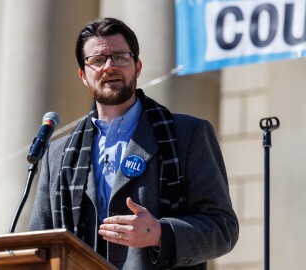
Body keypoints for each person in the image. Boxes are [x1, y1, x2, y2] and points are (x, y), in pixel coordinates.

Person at [29, 17, 239, 269]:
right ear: (83, 75)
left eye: (119, 57)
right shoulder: (58, 154)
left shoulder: (189, 134)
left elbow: (222, 228)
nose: (109, 66)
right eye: (97, 60)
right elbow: (40, 244)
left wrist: (160, 233)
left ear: (137, 67)